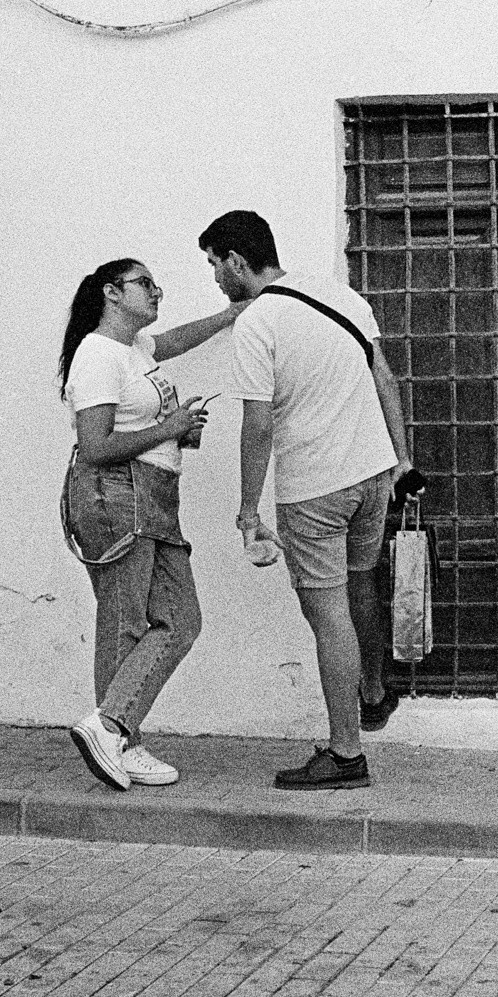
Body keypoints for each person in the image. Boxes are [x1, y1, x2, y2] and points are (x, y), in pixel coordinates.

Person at [199, 210, 424, 791]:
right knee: (360, 585)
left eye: (215, 266)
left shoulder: (257, 323)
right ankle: (373, 695)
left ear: (238, 261)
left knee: (328, 618)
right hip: (372, 475)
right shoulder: (340, 296)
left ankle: (345, 755)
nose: (216, 280)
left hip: (315, 493)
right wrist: (401, 460)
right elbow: (384, 378)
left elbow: (258, 424)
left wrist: (248, 511)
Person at [58, 258, 245, 790]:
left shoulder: (134, 350)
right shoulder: (96, 355)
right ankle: (119, 738)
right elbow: (94, 447)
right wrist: (171, 426)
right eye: (145, 284)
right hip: (116, 496)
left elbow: (178, 339)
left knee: (180, 619)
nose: (157, 291)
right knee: (125, 623)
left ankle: (112, 728)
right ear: (112, 293)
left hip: (154, 497)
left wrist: (233, 312)